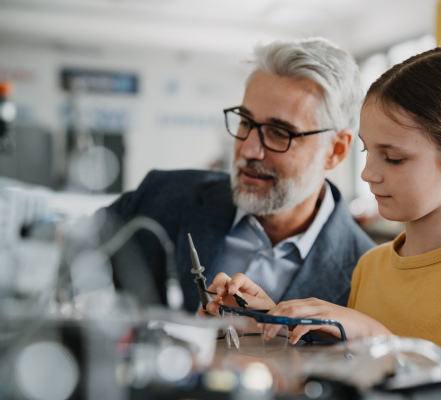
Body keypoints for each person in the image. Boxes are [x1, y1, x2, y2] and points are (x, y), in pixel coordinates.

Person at [206, 47, 441, 367]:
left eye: (393, 158)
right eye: (367, 151)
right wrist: (276, 322)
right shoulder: (370, 266)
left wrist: (379, 340)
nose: (368, 173)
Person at [101, 37, 375, 313]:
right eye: (245, 122)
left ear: (336, 151)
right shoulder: (162, 196)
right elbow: (70, 257)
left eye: (279, 133)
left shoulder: (368, 275)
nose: (249, 149)